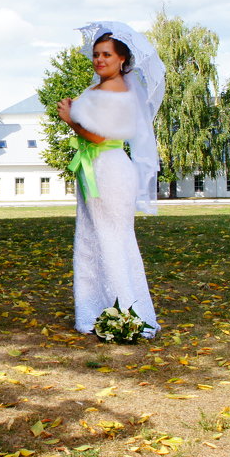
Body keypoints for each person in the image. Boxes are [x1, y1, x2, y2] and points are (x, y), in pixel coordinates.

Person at [56, 21, 165, 337]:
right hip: (95, 168)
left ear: (122, 60)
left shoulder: (118, 91)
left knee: (112, 239)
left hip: (108, 169)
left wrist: (71, 121)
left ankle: (126, 314)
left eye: (106, 55)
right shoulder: (101, 87)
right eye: (96, 55)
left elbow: (101, 138)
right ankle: (99, 309)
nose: (99, 60)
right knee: (92, 238)